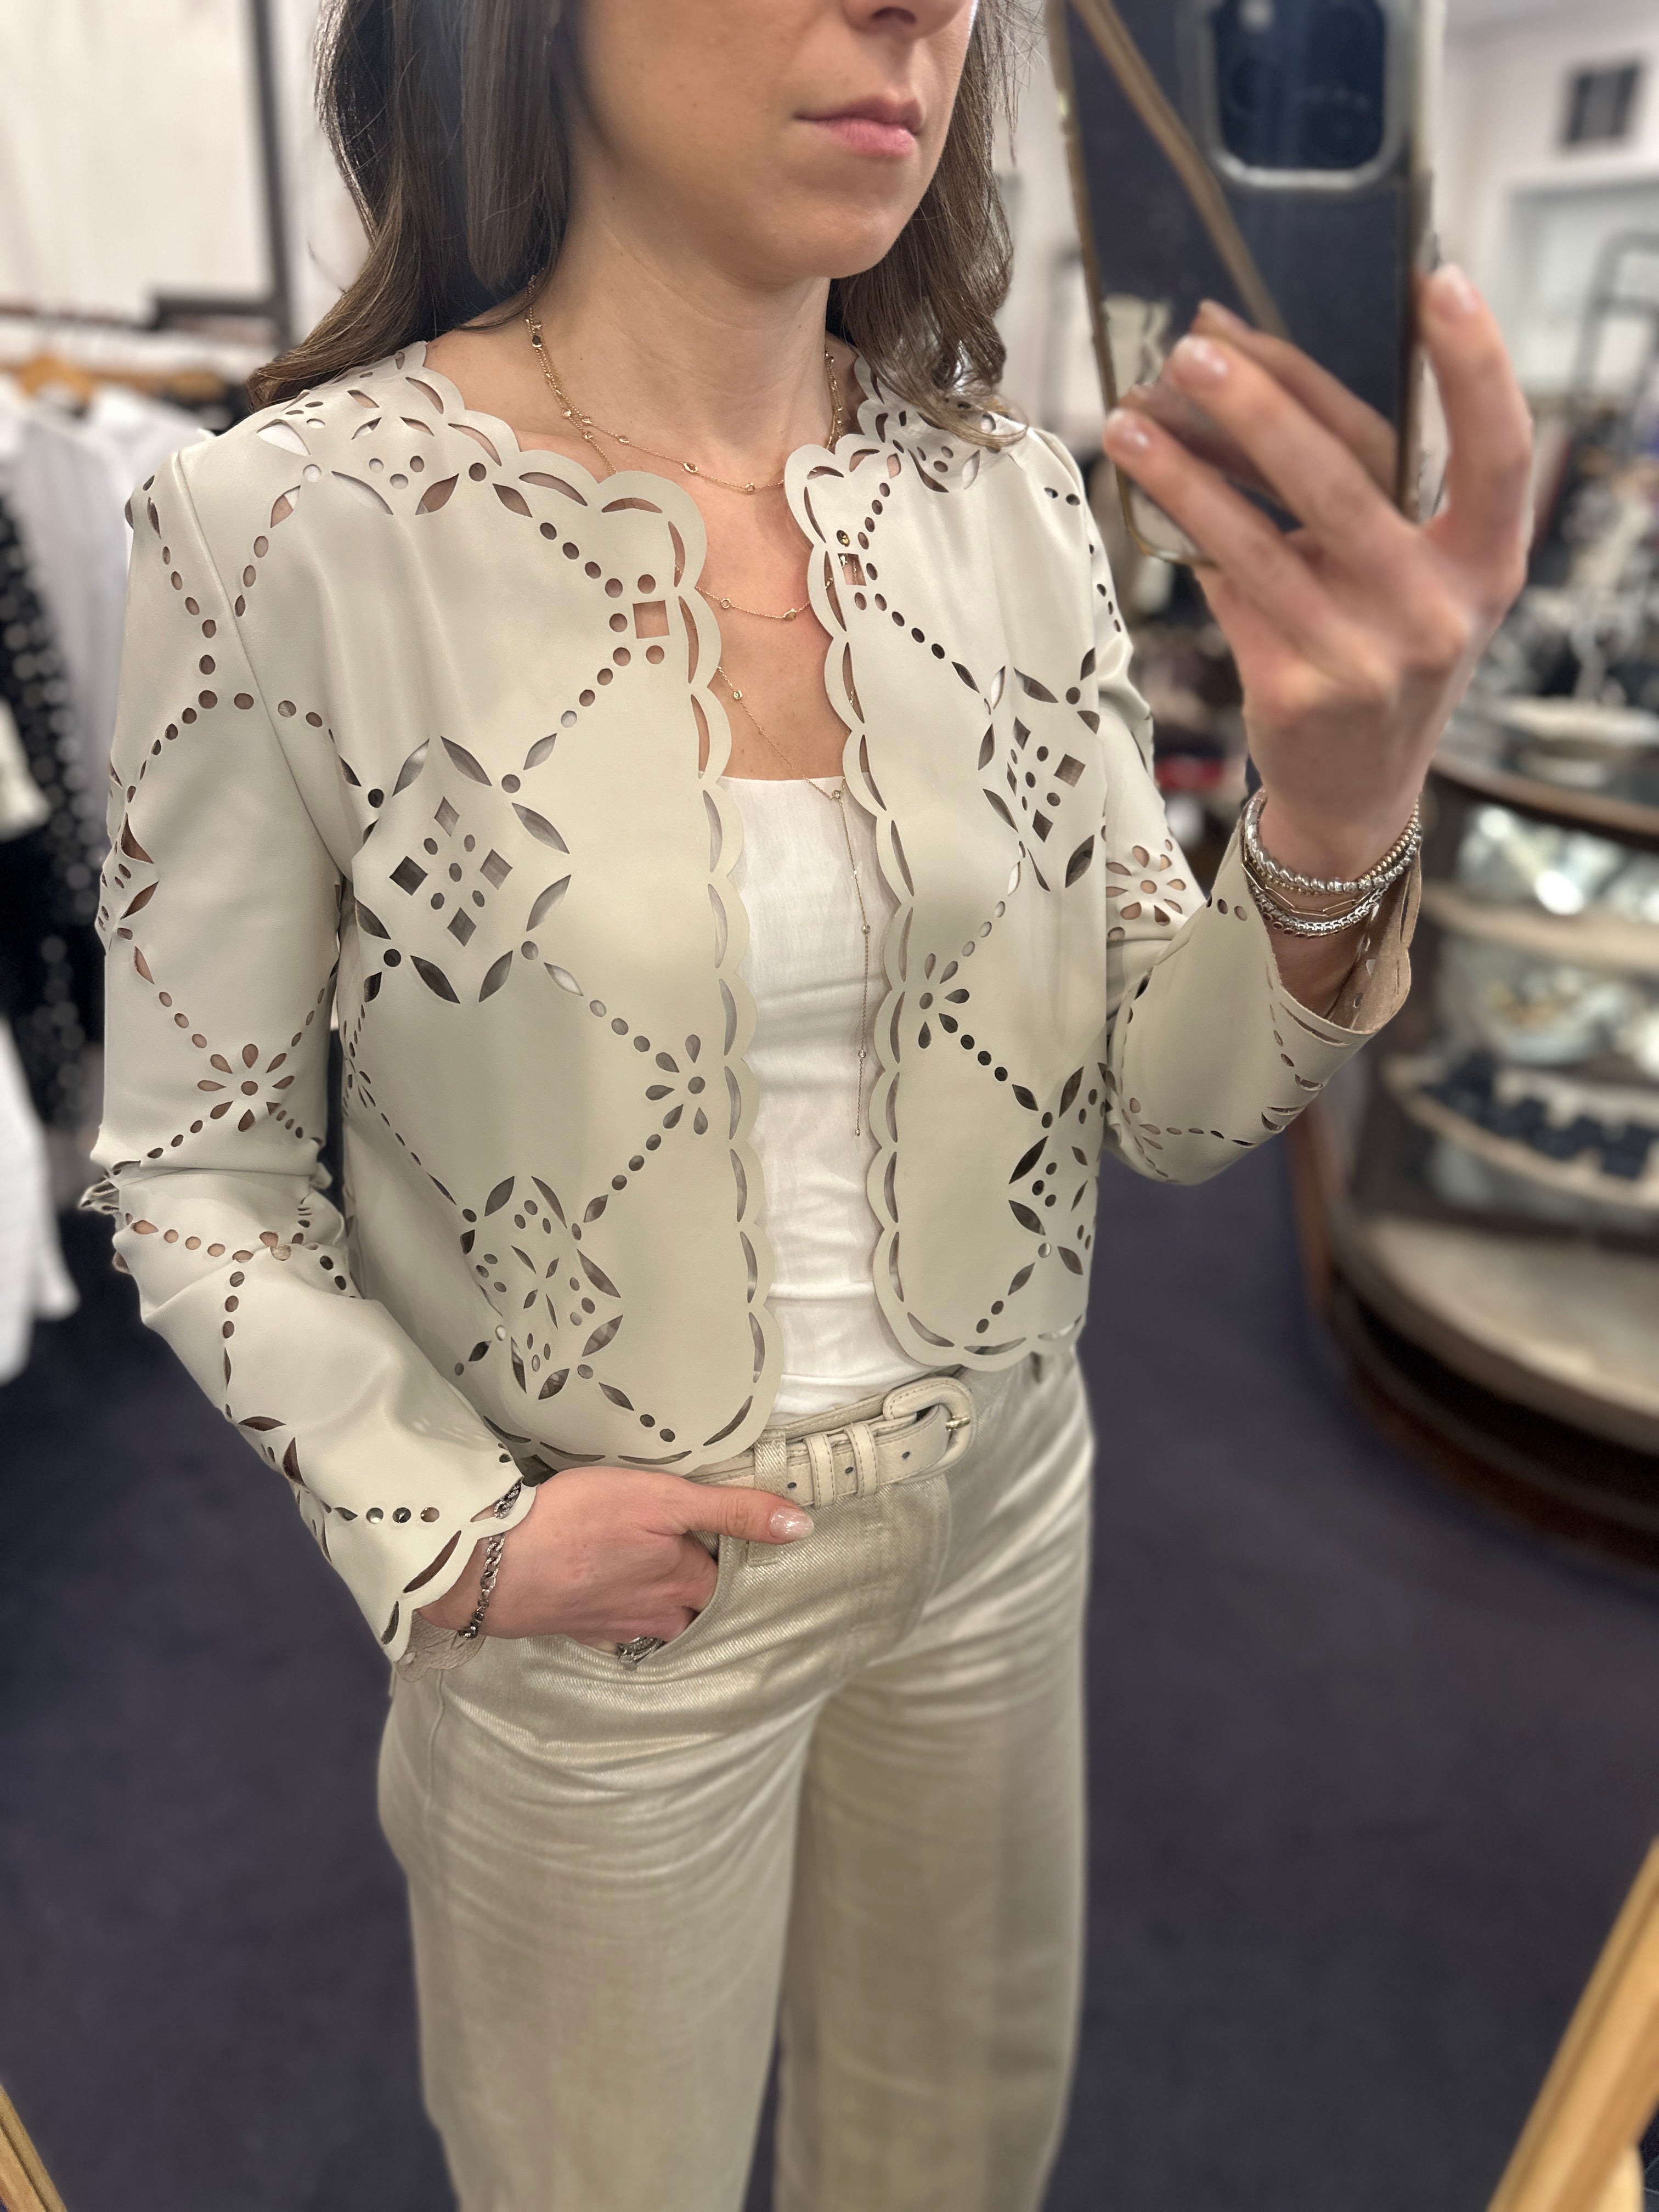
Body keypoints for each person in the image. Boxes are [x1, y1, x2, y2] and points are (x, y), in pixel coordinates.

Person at [82, 1, 1531, 2205]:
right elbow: (197, 1166)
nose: (916, 8)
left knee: (960, 2158)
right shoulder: (288, 529)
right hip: (609, 1612)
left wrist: (1334, 814)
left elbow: (1168, 1100)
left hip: (1003, 1519)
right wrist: (450, 1530)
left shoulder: (1011, 505)